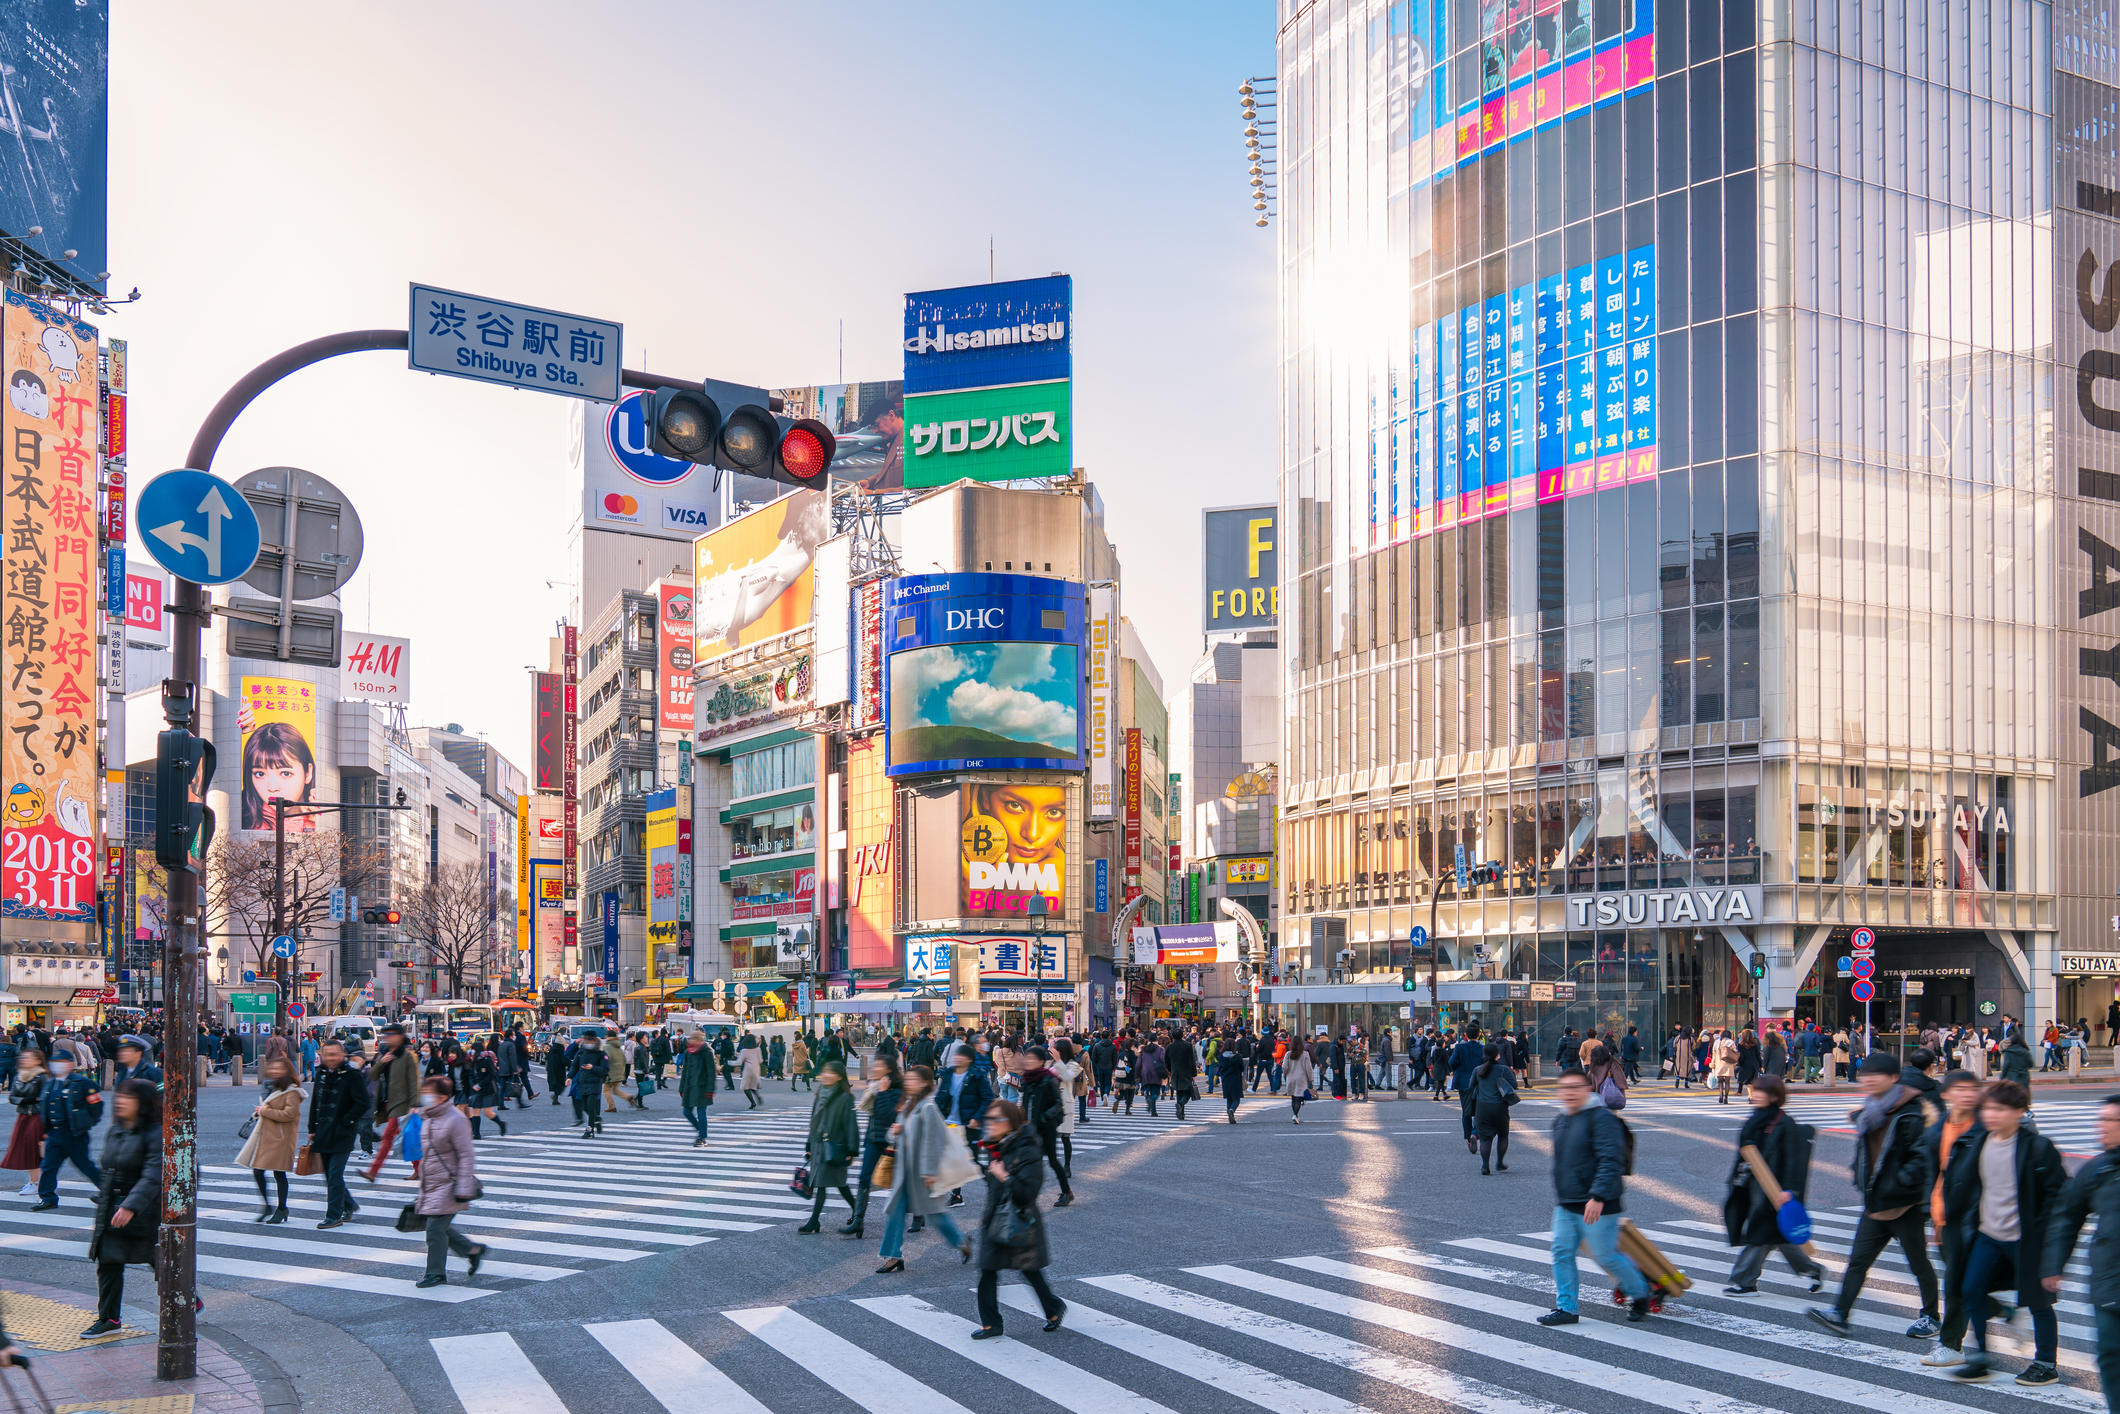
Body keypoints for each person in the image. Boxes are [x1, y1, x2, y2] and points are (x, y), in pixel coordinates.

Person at [1932, 1080, 2064, 1385]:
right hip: (1987, 1235)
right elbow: (1963, 1187)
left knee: (2039, 1301)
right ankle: (1981, 1359)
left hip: (2026, 1238)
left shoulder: (2037, 1148)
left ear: (2019, 1112)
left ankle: (2046, 1363)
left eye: (1999, 1109)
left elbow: (2058, 1197)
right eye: (1988, 1108)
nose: (1991, 1115)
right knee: (1970, 1290)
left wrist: (2051, 1247)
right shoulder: (1978, 1142)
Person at [1808, 1053, 1941, 1338]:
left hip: (1904, 1204)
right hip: (1876, 1202)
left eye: (1875, 1074)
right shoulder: (1872, 1109)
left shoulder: (1911, 1111)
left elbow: (1922, 1159)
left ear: (1893, 1078)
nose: (1867, 1079)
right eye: (1865, 1074)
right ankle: (1840, 1314)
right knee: (1858, 1261)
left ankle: (1931, 1316)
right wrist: (1859, 1174)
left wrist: (1898, 1183)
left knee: (1918, 1263)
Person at [1539, 1068, 1654, 1325]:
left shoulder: (1601, 1118)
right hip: (1568, 1203)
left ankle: (1640, 1292)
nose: (1569, 1092)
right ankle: (1567, 1308)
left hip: (1599, 1202)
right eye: (1564, 1087)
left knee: (1605, 1256)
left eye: (1574, 1087)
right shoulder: (1562, 1119)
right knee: (1561, 1252)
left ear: (1586, 1089)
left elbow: (1610, 1159)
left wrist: (1599, 1195)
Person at [2045, 1092, 2120, 1406]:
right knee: (2111, 1356)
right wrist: (2053, 1265)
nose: (2100, 1127)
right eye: (2099, 1119)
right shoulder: (2099, 1170)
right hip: (2109, 1282)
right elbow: (2067, 1216)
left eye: (2109, 1120)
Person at [1720, 1075, 1826, 1295]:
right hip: (1754, 1186)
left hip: (1775, 1190)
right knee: (1778, 1236)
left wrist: (1789, 1190)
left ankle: (1745, 1281)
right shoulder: (1757, 1118)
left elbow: (1794, 1161)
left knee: (1760, 1234)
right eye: (1755, 1090)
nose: (1756, 1094)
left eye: (1762, 1091)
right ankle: (1812, 1270)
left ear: (1775, 1096)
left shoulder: (1785, 1123)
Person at [970, 1099, 1066, 1339]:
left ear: (1009, 1123)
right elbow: (994, 1182)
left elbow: (1027, 1192)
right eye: (988, 1119)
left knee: (1030, 1270)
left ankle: (1053, 1308)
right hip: (996, 1218)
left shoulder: (1028, 1149)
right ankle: (991, 1324)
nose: (989, 1124)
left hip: (1020, 1219)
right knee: (987, 1270)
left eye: (995, 1119)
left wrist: (1003, 1176)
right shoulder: (997, 1146)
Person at [78, 1079, 162, 1339]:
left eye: (129, 1097)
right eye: (119, 1096)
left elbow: (153, 1175)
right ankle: (109, 1318)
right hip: (113, 1207)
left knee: (157, 1258)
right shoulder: (117, 1129)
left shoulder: (156, 1132)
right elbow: (109, 1168)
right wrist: (103, 1197)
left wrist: (130, 1206)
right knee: (109, 1262)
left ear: (144, 1103)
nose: (121, 1101)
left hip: (143, 1208)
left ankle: (186, 1298)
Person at [873, 1064, 972, 1273]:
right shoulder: (909, 1105)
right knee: (894, 1212)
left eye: (913, 1080)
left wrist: (929, 1171)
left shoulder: (928, 1108)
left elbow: (935, 1141)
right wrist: (895, 1132)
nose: (909, 1083)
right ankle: (893, 1256)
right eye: (908, 1079)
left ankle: (962, 1243)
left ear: (925, 1083)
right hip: (904, 1172)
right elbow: (894, 1136)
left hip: (923, 1173)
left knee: (936, 1215)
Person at [1921, 1069, 1987, 1367]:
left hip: (1979, 1219)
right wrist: (1934, 1216)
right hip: (1947, 1219)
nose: (1968, 1094)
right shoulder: (1937, 1133)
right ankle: (2006, 1311)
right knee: (1965, 1281)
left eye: (1972, 1089)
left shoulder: (1986, 1128)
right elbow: (1933, 1177)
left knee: (1957, 1281)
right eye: (1960, 1089)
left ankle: (1951, 1344)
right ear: (1946, 1094)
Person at [411, 1076, 487, 1289]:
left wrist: (463, 1188)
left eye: (429, 1092)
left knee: (434, 1228)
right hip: (432, 1181)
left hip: (450, 1183)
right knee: (437, 1225)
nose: (424, 1096)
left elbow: (466, 1155)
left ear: (443, 1097)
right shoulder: (429, 1116)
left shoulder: (456, 1119)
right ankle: (472, 1250)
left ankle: (435, 1273)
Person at [32, 1044, 101, 1210]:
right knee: (48, 1166)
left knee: (85, 1165)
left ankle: (109, 1191)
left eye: (62, 1061)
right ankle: (48, 1198)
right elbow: (45, 1108)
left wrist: (85, 1123)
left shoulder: (82, 1083)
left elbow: (96, 1107)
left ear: (71, 1064)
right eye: (55, 1062)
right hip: (55, 1133)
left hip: (75, 1134)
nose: (58, 1065)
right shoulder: (50, 1083)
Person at [305, 1041, 364, 1229]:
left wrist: (346, 1121)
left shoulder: (352, 1075)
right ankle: (349, 1204)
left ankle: (333, 1216)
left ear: (342, 1055)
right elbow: (315, 1101)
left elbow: (362, 1103)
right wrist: (311, 1128)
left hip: (343, 1133)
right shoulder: (321, 1073)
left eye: (334, 1054)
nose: (330, 1058)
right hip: (323, 1131)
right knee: (329, 1175)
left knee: (335, 1174)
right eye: (327, 1054)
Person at [798, 1061, 861, 1234]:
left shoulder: (845, 1098)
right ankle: (856, 1213)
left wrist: (851, 1150)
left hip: (835, 1146)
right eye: (825, 1072)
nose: (826, 1075)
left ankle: (814, 1221)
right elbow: (814, 1121)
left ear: (839, 1077)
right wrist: (809, 1145)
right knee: (829, 1184)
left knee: (832, 1184)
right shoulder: (820, 1094)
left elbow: (851, 1125)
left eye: (830, 1073)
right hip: (819, 1146)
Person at [238, 1055, 302, 1224]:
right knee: (258, 1170)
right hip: (269, 1136)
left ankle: (281, 1208)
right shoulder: (275, 1087)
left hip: (281, 1138)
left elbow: (289, 1114)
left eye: (279, 1068)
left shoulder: (292, 1091)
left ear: (287, 1071)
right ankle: (269, 1205)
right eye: (273, 1068)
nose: (274, 1071)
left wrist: (264, 1111)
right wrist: (260, 1111)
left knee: (278, 1173)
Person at [363, 1025, 420, 1182]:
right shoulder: (385, 1054)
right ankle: (419, 1169)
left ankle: (373, 1172)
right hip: (388, 1103)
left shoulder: (408, 1056)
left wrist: (414, 1105)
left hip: (403, 1104)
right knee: (407, 1138)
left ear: (400, 1037)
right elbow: (373, 1075)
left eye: (391, 1034)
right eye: (385, 1034)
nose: (387, 1037)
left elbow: (414, 1081)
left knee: (388, 1137)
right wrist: (382, 1062)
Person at [1018, 1046, 1074, 1206]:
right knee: (1026, 1160)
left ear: (1041, 1062)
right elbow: (1025, 1102)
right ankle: (1027, 1194)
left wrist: (1043, 1117)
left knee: (1052, 1161)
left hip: (1045, 1127)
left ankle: (1067, 1192)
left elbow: (1058, 1105)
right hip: (1029, 1127)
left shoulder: (1048, 1079)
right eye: (1027, 1058)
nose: (1028, 1061)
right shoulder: (1028, 1079)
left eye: (1032, 1059)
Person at [1470, 1042, 1518, 1174]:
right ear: (1498, 1055)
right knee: (1503, 1135)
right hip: (1500, 1108)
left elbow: (1471, 1086)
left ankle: (1485, 1166)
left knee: (1485, 1138)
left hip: (1482, 1108)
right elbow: (1514, 1085)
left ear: (1484, 1054)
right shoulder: (1504, 1070)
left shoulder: (1477, 1070)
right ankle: (1500, 1162)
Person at [5, 1048, 47, 1196]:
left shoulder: (41, 1077)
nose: (23, 1060)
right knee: (24, 1150)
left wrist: (23, 1100)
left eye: (27, 1058)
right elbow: (12, 1098)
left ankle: (36, 1183)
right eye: (23, 1057)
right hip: (23, 1116)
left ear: (37, 1060)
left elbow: (44, 1099)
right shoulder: (19, 1076)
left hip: (37, 1117)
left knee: (33, 1151)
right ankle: (34, 1181)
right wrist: (28, 1099)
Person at [1450, 1025, 1485, 1151]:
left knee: (1466, 1112)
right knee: (1479, 1112)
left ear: (1466, 1035)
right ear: (1479, 1035)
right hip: (1480, 1083)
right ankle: (1475, 1133)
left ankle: (1469, 1138)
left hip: (1463, 1083)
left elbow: (1452, 1062)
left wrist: (1457, 1069)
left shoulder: (1460, 1047)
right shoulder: (1483, 1048)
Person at [678, 1033, 716, 1147]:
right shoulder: (688, 1052)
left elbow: (711, 1072)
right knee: (686, 1112)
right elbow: (685, 1071)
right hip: (689, 1087)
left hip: (702, 1087)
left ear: (699, 1040)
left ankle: (702, 1137)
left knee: (701, 1113)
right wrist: (681, 1087)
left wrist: (710, 1089)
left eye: (693, 1039)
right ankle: (701, 1131)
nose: (691, 1041)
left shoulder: (706, 1052)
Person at [568, 1035, 610, 1137]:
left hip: (595, 1083)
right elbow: (575, 1066)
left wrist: (593, 1067)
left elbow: (605, 1070)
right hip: (583, 1082)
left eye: (589, 1040)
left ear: (595, 1041)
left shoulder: (601, 1053)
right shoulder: (581, 1052)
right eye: (586, 1040)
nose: (587, 1042)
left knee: (591, 1107)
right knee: (584, 1106)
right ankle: (597, 1119)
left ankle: (589, 1130)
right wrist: (569, 1077)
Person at [1164, 1026, 1197, 1120]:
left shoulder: (1169, 1047)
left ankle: (1181, 1113)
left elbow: (1166, 1061)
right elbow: (1192, 1060)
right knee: (1188, 1092)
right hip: (1186, 1071)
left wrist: (1170, 1070)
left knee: (1179, 1092)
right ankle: (1180, 1105)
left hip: (1175, 1071)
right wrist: (1194, 1073)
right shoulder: (1187, 1045)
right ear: (1182, 1035)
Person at [1285, 1038, 1317, 1124]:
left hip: (1291, 1078)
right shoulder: (1305, 1054)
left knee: (1293, 1098)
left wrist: (1286, 1074)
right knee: (1298, 1098)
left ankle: (1295, 1115)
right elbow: (1309, 1068)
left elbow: (1284, 1067)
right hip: (1301, 1079)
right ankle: (1295, 1115)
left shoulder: (1288, 1054)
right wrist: (1311, 1078)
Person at [1216, 1033, 1246, 1123]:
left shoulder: (1221, 1057)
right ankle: (1232, 1110)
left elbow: (1220, 1069)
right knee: (1236, 1099)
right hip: (1236, 1078)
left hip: (1226, 1079)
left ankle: (1230, 1113)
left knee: (1229, 1098)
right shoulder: (1237, 1057)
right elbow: (1242, 1068)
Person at [738, 1036, 763, 1110]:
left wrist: (729, 1063)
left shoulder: (744, 1051)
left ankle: (753, 1102)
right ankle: (758, 1096)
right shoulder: (758, 1049)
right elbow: (760, 1060)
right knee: (752, 1086)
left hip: (748, 1070)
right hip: (756, 1069)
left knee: (746, 1087)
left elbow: (739, 1062)